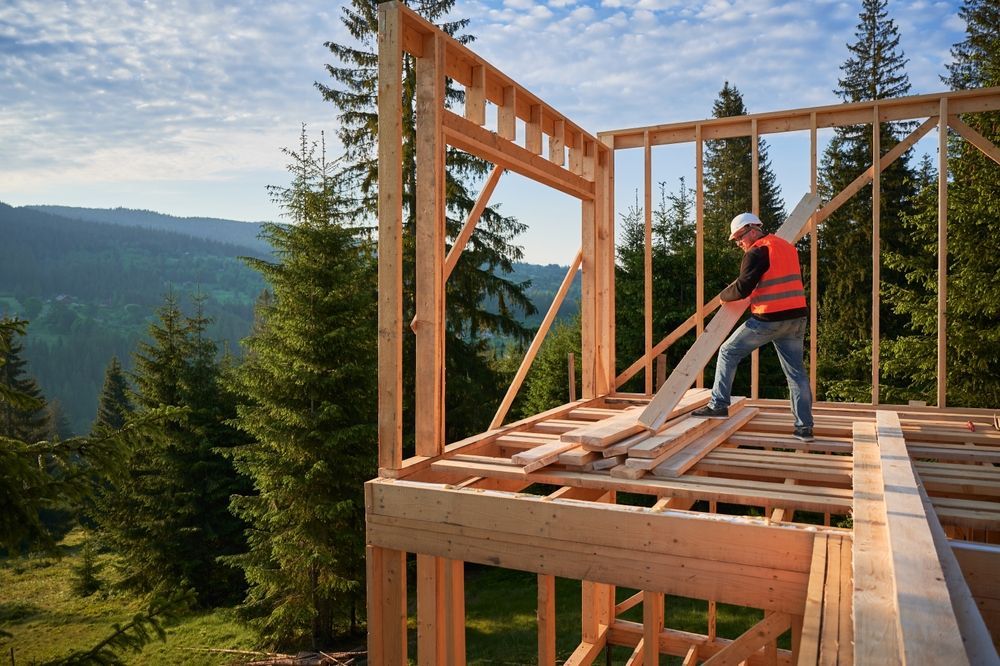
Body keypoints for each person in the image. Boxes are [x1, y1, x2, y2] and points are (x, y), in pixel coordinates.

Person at [691, 212, 814, 441]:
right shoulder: (786, 247)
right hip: (796, 318)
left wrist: (723, 296)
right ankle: (804, 428)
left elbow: (743, 288)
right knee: (796, 373)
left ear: (753, 230)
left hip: (769, 319)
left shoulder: (757, 251)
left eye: (740, 237)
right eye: (736, 240)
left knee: (728, 352)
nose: (739, 243)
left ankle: (719, 404)